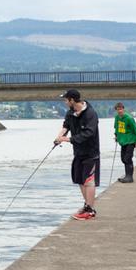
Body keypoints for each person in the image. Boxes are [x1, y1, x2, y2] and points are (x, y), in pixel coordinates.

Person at [54, 89, 100, 220]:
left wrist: (68, 139)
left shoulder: (91, 113)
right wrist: (59, 137)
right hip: (78, 152)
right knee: (79, 179)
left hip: (91, 152)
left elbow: (89, 133)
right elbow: (66, 126)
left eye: (65, 99)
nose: (64, 102)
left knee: (88, 180)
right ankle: (87, 205)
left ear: (72, 100)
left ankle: (90, 210)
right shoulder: (70, 113)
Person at [113, 102, 136, 183]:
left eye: (121, 109)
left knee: (127, 158)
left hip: (130, 140)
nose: (119, 111)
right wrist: (116, 135)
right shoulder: (117, 118)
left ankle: (130, 177)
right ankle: (126, 176)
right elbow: (117, 128)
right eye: (118, 109)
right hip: (123, 141)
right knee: (123, 159)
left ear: (123, 109)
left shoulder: (129, 118)